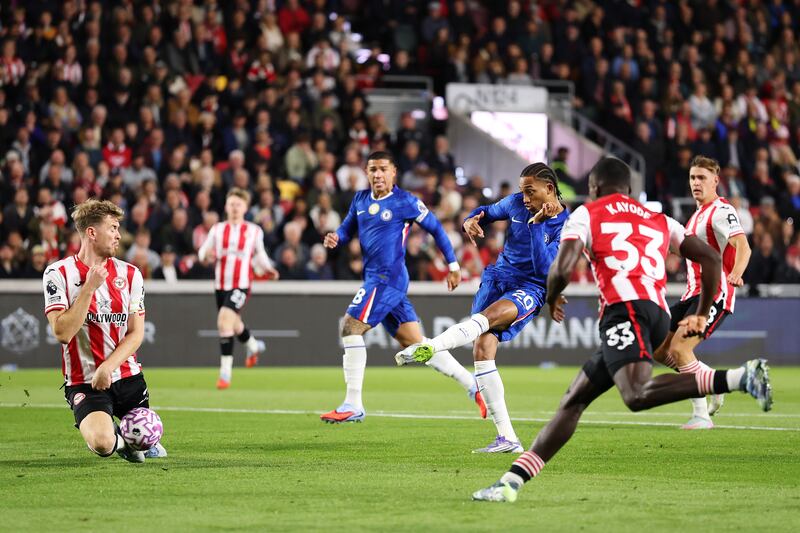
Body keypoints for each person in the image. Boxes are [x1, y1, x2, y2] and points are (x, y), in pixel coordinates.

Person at [473, 158, 772, 503]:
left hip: (624, 311)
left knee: (635, 394)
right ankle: (511, 482)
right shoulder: (659, 218)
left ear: (595, 189)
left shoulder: (588, 213)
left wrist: (552, 297)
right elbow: (710, 257)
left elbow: (562, 267)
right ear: (629, 190)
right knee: (573, 401)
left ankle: (738, 378)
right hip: (658, 312)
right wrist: (702, 312)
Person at [396, 163, 569, 453]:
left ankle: (432, 347)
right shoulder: (514, 203)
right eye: (522, 191)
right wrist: (469, 220)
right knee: (482, 349)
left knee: (487, 319)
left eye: (530, 192)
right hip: (498, 279)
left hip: (530, 288)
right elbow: (485, 213)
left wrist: (537, 227)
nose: (525, 198)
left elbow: (544, 268)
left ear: (549, 189)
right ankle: (508, 438)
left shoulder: (566, 224)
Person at [319, 151, 485, 423]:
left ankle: (353, 403)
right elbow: (348, 229)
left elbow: (437, 230)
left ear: (393, 172)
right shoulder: (360, 200)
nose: (377, 174)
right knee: (418, 344)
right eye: (372, 169)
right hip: (377, 279)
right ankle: (473, 384)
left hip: (388, 279)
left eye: (383, 169)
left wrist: (453, 266)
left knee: (350, 327)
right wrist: (336, 236)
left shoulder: (405, 201)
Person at [43, 199, 166, 463]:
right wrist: (89, 288)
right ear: (91, 232)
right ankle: (123, 443)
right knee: (102, 443)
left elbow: (136, 333)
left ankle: (138, 438)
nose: (118, 235)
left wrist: (108, 367)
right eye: (112, 228)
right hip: (84, 381)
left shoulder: (131, 274)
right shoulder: (58, 273)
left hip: (127, 376)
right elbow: (62, 333)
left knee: (149, 438)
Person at [653, 155, 752, 429]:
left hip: (714, 292)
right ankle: (712, 381)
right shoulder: (695, 216)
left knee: (680, 348)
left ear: (715, 181)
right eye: (693, 178)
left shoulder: (722, 211)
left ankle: (701, 415)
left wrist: (737, 273)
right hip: (690, 294)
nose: (696, 183)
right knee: (659, 348)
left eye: (702, 178)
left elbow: (743, 246)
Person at [198, 188, 279, 389]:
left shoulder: (253, 231)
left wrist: (269, 269)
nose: (234, 208)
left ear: (245, 207)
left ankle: (225, 374)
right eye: (231, 204)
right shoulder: (217, 229)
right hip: (220, 285)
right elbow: (203, 251)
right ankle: (253, 346)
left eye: (238, 204)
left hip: (241, 284)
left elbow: (259, 254)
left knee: (224, 321)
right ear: (226, 206)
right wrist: (205, 256)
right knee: (234, 324)